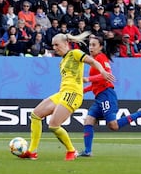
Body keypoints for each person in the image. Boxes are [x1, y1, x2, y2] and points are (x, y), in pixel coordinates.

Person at [19, 32, 115, 161]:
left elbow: (92, 61)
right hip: (62, 93)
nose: (55, 47)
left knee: (53, 125)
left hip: (73, 94)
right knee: (35, 115)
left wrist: (102, 71)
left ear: (65, 43)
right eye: (53, 45)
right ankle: (32, 151)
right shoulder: (63, 61)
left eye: (57, 45)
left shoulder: (75, 53)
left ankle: (71, 150)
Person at [78, 36, 141, 157]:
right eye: (90, 45)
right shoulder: (94, 61)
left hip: (106, 95)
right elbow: (96, 83)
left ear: (101, 47)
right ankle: (88, 151)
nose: (91, 48)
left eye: (94, 45)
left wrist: (88, 79)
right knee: (88, 121)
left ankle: (140, 113)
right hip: (99, 97)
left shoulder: (101, 58)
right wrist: (82, 90)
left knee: (113, 126)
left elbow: (106, 75)